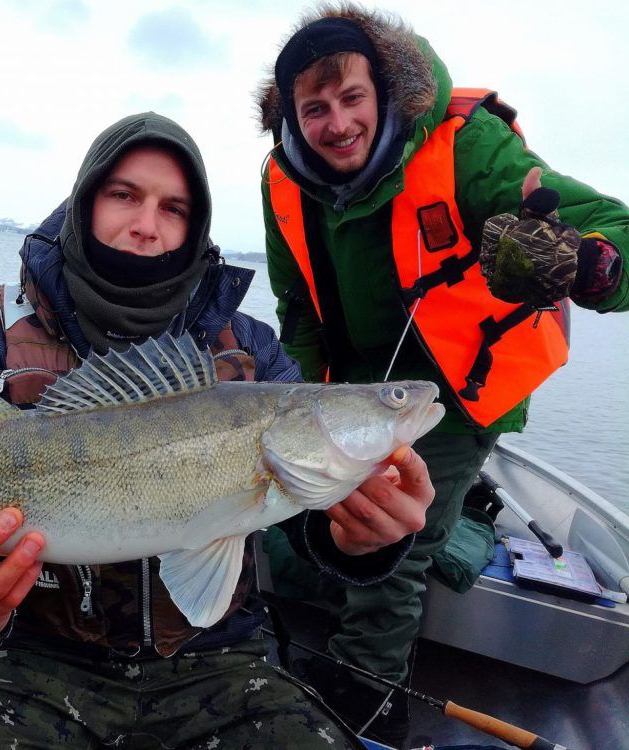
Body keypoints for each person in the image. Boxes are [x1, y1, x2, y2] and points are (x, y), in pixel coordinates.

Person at [0, 111, 436, 748]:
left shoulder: (254, 358)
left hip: (222, 664)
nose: (146, 225)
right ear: (85, 202)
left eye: (174, 208)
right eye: (123, 195)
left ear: (196, 229)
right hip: (25, 663)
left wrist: (357, 541)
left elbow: (308, 525)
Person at [257, 4, 628, 745]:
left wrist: (586, 262)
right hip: (356, 380)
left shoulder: (468, 149)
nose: (336, 124)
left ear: (384, 91)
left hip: (459, 384)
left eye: (351, 98)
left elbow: (613, 229)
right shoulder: (281, 179)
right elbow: (296, 306)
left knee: (394, 530)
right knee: (304, 518)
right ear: (292, 118)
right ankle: (445, 534)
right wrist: (291, 400)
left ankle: (369, 694)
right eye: (315, 108)